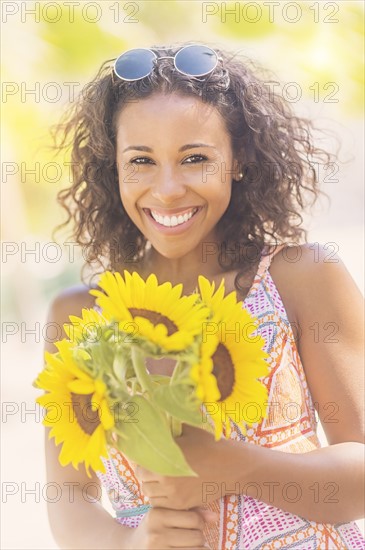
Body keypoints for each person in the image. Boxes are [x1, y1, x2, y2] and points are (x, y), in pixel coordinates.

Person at [44, 42, 364, 549]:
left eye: (195, 158)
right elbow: (69, 496)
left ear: (238, 159)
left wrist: (232, 466)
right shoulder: (80, 315)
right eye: (141, 160)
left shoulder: (301, 277)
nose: (168, 189)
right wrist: (128, 542)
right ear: (116, 169)